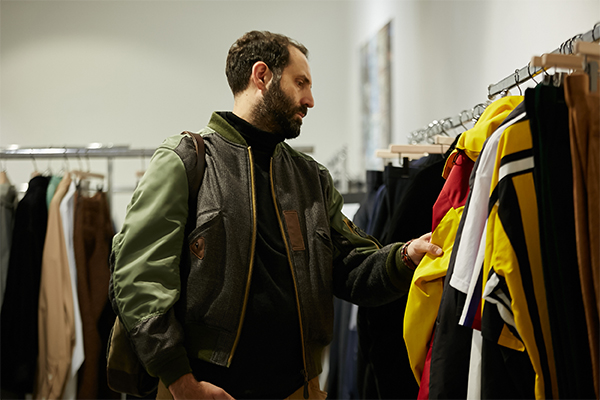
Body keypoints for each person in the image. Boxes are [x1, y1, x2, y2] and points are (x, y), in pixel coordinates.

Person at [109, 30, 442, 400]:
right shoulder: (186, 161)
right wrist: (180, 380)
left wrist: (404, 256)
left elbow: (350, 265)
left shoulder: (311, 178)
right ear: (262, 76)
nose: (310, 100)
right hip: (203, 390)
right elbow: (139, 276)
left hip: (298, 389)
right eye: (301, 83)